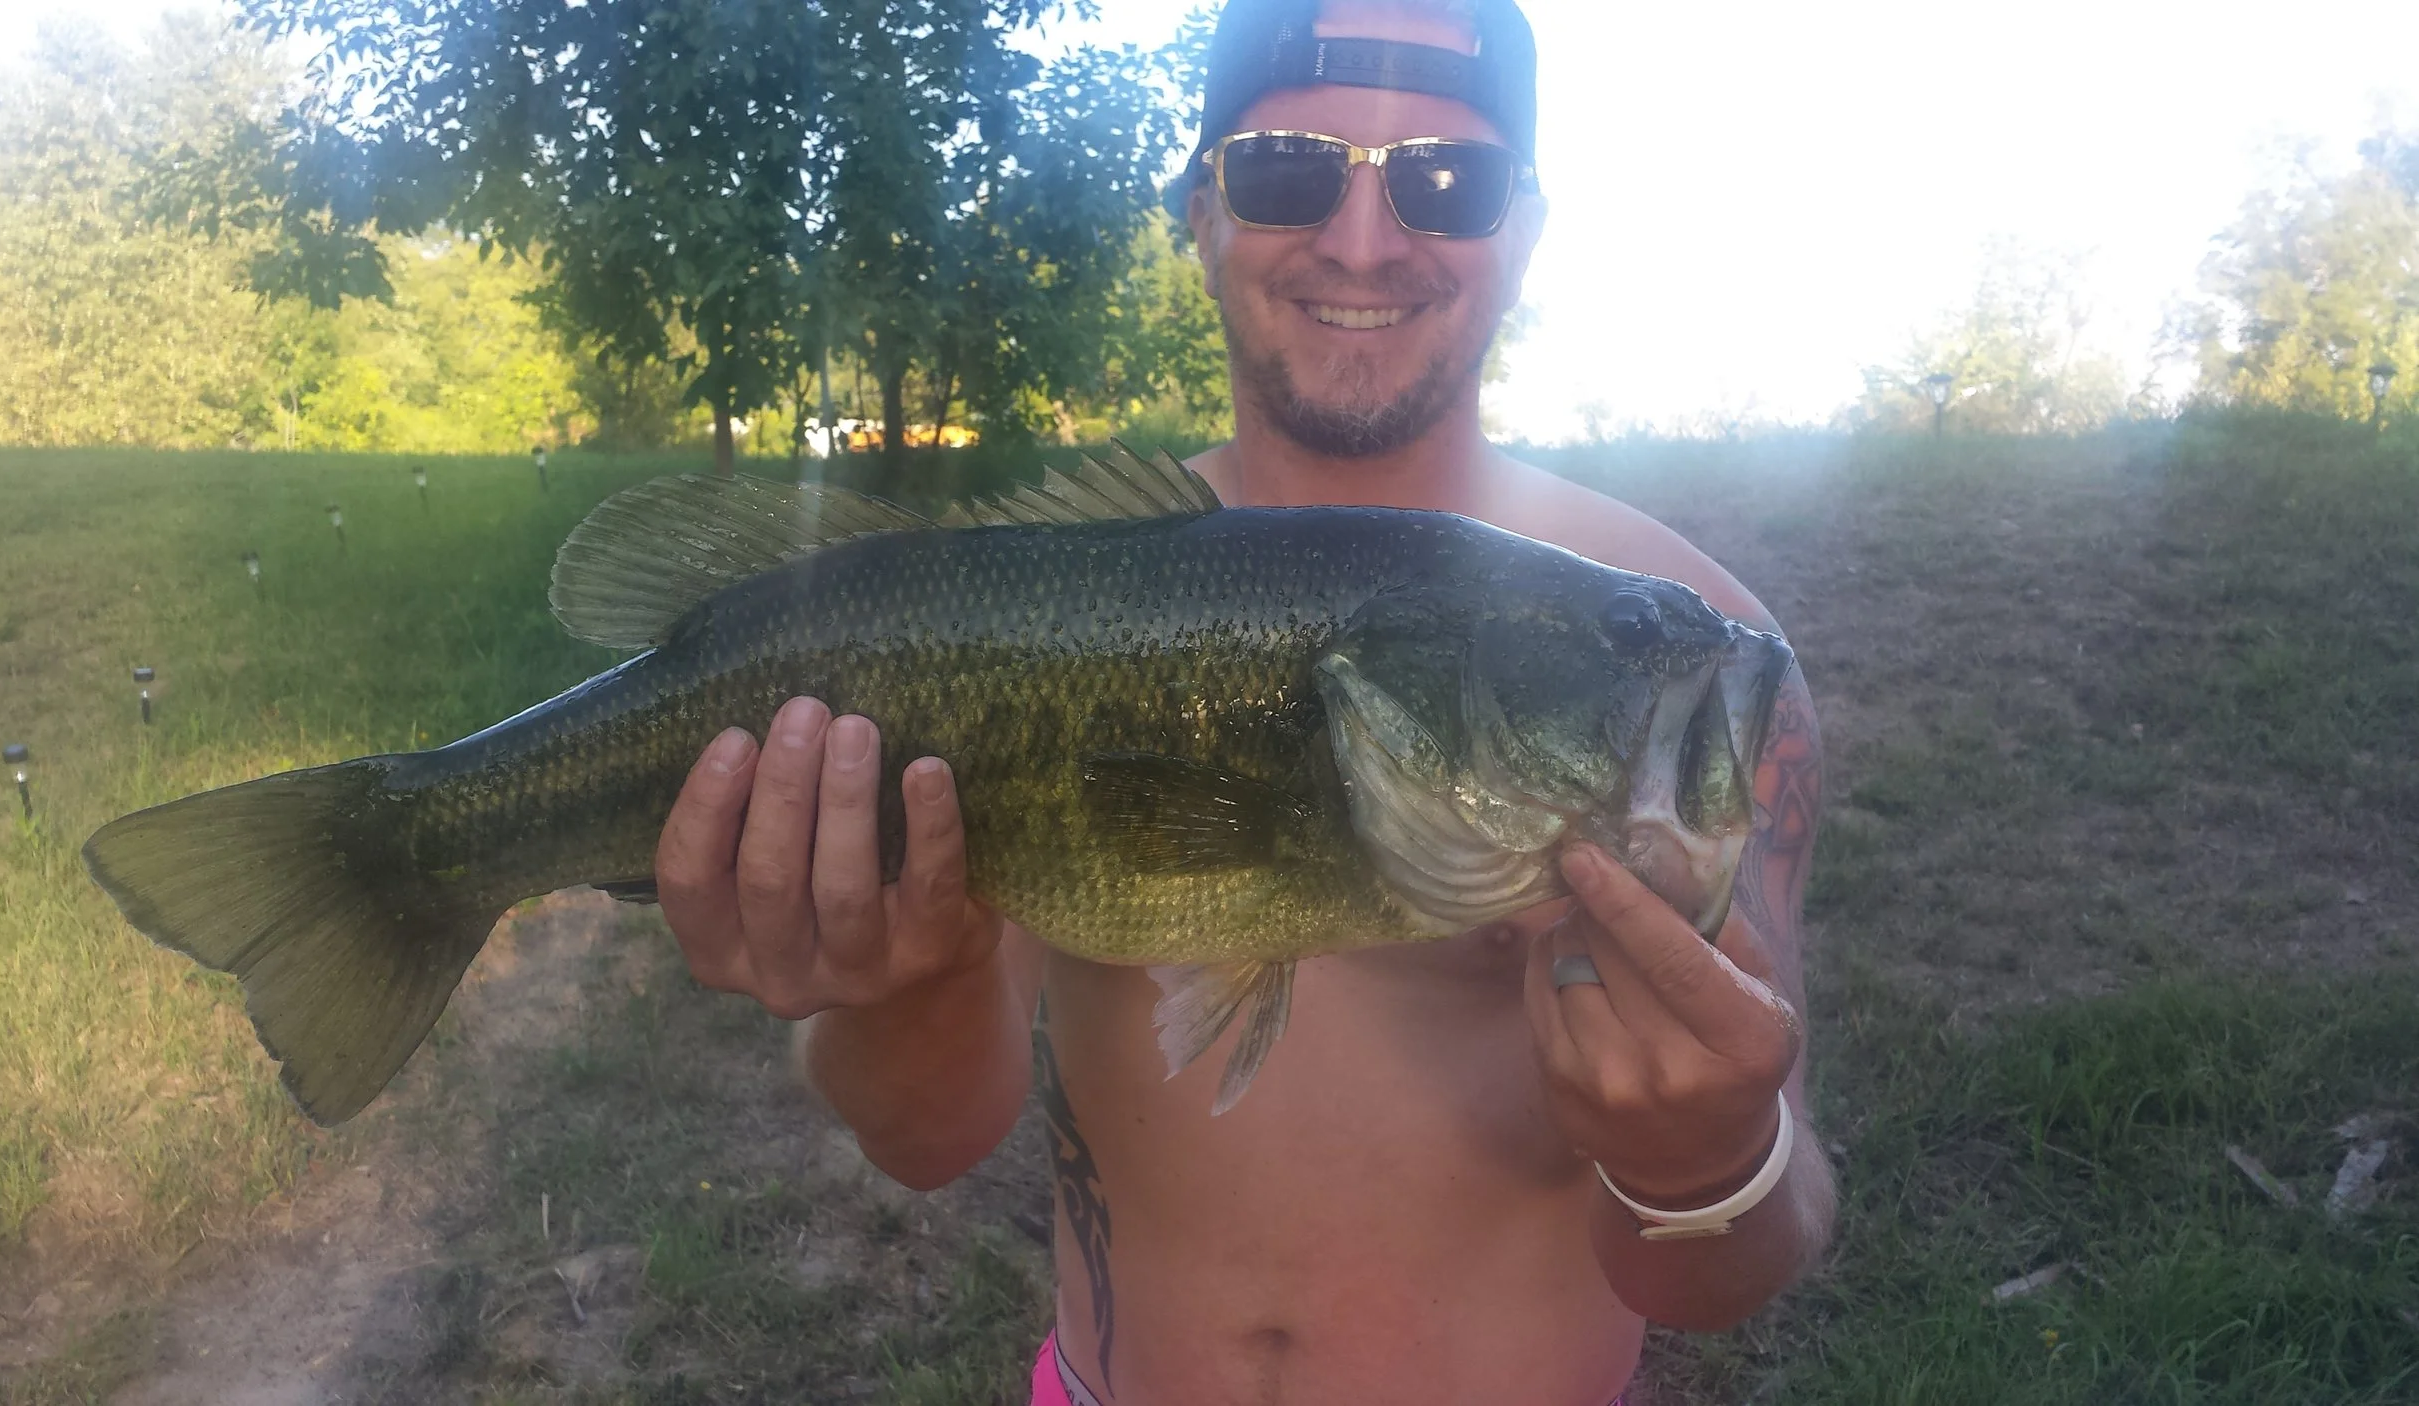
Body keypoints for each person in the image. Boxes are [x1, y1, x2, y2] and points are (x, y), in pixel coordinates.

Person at [653, 1, 1835, 1400]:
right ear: (1197, 210)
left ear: (1521, 229)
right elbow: (929, 1137)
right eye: (1287, 170)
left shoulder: (1685, 660)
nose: (1363, 240)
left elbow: (1742, 1254)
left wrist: (1704, 1158)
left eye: (1442, 184)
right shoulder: (1064, 604)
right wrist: (903, 973)